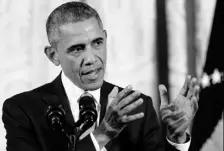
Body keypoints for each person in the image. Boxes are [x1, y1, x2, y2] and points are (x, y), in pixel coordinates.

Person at [2, 1, 200, 151]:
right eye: (77, 49)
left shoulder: (138, 107)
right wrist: (103, 134)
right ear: (53, 55)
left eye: (97, 43)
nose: (91, 58)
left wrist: (177, 137)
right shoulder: (23, 110)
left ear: (106, 38)